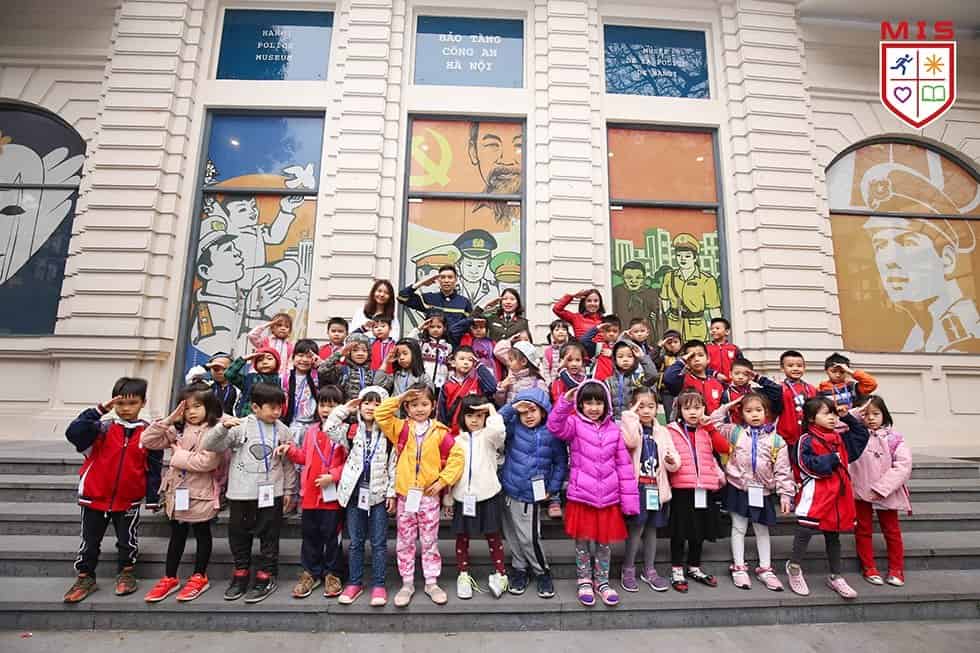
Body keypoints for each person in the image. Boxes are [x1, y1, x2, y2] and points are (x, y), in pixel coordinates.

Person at [62, 377, 162, 604]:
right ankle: (85, 577)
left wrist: (153, 497)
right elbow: (73, 432)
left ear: (143, 403)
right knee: (89, 542)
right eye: (120, 403)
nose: (126, 409)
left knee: (127, 540)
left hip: (128, 499)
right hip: (95, 496)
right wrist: (98, 411)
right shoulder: (100, 429)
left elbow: (154, 466)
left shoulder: (148, 432)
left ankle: (126, 573)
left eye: (132, 403)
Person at [202, 383, 298, 604]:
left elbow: (287, 464)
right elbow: (210, 445)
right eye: (272, 407)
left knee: (270, 536)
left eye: (279, 407)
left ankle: (266, 575)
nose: (277, 412)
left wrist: (288, 490)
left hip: (271, 493)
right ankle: (241, 573)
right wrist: (222, 428)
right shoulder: (240, 426)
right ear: (255, 407)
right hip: (241, 493)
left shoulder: (283, 430)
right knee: (239, 536)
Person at [548, 381, 639, 607]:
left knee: (604, 545)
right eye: (588, 403)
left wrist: (629, 502)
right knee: (582, 544)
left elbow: (624, 467)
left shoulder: (614, 430)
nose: (594, 408)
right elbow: (554, 426)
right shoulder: (574, 424)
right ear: (580, 405)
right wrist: (565, 402)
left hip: (608, 499)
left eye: (598, 403)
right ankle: (584, 581)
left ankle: (602, 582)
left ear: (606, 405)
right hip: (582, 496)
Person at [375, 385, 464, 607]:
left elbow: (457, 457)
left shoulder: (440, 432)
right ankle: (407, 583)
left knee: (429, 541)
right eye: (414, 404)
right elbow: (381, 414)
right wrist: (400, 397)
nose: (419, 409)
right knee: (405, 541)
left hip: (429, 497)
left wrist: (442, 481)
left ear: (433, 406)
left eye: (424, 404)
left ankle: (431, 582)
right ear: (407, 407)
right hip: (406, 496)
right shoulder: (400, 428)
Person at [140, 384, 223, 603]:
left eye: (197, 406)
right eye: (187, 408)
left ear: (208, 406)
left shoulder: (214, 431)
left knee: (202, 533)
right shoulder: (176, 429)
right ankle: (170, 577)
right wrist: (168, 420)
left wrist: (178, 456)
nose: (192, 412)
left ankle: (199, 576)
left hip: (201, 493)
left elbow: (207, 462)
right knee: (176, 535)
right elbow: (147, 441)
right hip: (177, 493)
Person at [787, 397, 871, 600]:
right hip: (816, 491)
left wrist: (847, 417)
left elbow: (861, 435)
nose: (832, 417)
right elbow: (803, 464)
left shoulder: (839, 438)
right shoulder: (806, 439)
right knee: (806, 528)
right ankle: (794, 567)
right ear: (811, 418)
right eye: (826, 413)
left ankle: (836, 576)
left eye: (834, 413)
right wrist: (831, 459)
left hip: (839, 493)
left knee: (833, 534)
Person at [709, 393, 795, 591]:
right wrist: (729, 405)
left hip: (762, 491)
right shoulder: (735, 432)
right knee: (738, 527)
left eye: (759, 410)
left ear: (767, 412)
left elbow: (783, 470)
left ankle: (765, 569)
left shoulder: (777, 440)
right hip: (739, 488)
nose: (754, 414)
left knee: (762, 529)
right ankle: (739, 567)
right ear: (742, 413)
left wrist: (785, 494)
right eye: (748, 411)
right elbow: (713, 422)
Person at [863, 216, 979, 353]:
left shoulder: (967, 335)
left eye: (908, 243)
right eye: (880, 246)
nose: (889, 260)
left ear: (947, 259)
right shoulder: (918, 336)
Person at [277, 388, 349, 600]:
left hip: (332, 496)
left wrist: (333, 476)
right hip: (309, 495)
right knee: (310, 536)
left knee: (332, 537)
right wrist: (290, 451)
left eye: (332, 405)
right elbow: (304, 457)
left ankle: (333, 573)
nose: (326, 410)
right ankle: (310, 572)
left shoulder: (344, 432)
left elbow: (350, 464)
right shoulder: (311, 431)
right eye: (323, 405)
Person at [498, 388, 565, 598]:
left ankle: (542, 571)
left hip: (531, 494)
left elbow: (561, 463)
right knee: (512, 536)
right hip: (509, 489)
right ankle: (519, 569)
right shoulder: (513, 427)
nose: (528, 415)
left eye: (533, 410)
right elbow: (494, 424)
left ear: (543, 411)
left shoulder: (552, 432)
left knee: (529, 538)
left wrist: (552, 488)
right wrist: (512, 408)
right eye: (524, 412)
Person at [333, 387, 396, 607]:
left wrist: (391, 493)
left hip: (378, 495)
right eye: (367, 402)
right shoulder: (351, 431)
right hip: (354, 495)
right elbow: (329, 427)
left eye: (377, 404)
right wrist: (345, 409)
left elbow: (393, 466)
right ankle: (355, 582)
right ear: (359, 406)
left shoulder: (389, 434)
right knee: (356, 542)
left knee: (379, 543)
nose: (371, 407)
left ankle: (379, 584)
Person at [665, 389, 730, 593]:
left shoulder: (706, 430)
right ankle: (677, 569)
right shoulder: (671, 430)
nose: (693, 412)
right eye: (687, 408)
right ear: (679, 410)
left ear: (704, 409)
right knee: (679, 531)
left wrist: (710, 427)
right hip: (682, 487)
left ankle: (694, 566)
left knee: (699, 530)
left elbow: (724, 448)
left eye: (697, 407)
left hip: (705, 487)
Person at [619, 388, 680, 592]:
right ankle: (628, 569)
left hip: (656, 489)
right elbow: (630, 442)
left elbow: (674, 458)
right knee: (636, 530)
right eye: (640, 406)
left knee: (652, 529)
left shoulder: (662, 431)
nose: (646, 411)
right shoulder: (630, 428)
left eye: (651, 406)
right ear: (632, 408)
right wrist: (630, 417)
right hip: (637, 489)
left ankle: (649, 569)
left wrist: (672, 461)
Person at [449, 398, 509, 599]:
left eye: (479, 416)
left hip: (488, 493)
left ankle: (501, 573)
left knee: (493, 535)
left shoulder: (489, 436)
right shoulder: (456, 440)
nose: (474, 420)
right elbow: (451, 469)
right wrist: (448, 496)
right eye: (469, 415)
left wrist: (491, 409)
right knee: (462, 536)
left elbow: (499, 433)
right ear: (462, 417)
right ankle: (463, 574)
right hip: (463, 497)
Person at [849, 395, 911, 587]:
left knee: (892, 531)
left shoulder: (894, 438)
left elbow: (903, 466)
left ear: (884, 414)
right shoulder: (854, 434)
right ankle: (869, 567)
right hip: (860, 490)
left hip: (887, 491)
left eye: (875, 414)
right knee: (863, 530)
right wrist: (854, 414)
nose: (871, 418)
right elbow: (838, 424)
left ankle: (896, 569)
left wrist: (882, 488)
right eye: (865, 414)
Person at [660, 233, 722, 341]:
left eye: (687, 256)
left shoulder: (707, 280)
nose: (682, 259)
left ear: (695, 257)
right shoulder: (669, 277)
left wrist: (718, 333)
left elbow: (714, 310)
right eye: (679, 255)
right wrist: (669, 315)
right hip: (674, 325)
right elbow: (664, 300)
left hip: (696, 326)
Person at [398, 264, 473, 344]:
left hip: (455, 348)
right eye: (443, 277)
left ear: (456, 279)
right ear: (438, 280)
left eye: (450, 277)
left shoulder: (464, 302)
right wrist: (421, 283)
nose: (446, 280)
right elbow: (402, 297)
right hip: (429, 348)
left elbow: (470, 326)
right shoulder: (429, 299)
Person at [438, 346, 498, 435]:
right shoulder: (446, 386)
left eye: (470, 360)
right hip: (453, 431)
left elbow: (492, 387)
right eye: (462, 359)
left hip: (475, 430)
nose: (466, 362)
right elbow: (441, 413)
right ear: (453, 363)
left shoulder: (477, 383)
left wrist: (479, 365)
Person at [318, 333, 392, 401]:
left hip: (368, 409)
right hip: (347, 409)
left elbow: (383, 387)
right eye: (355, 350)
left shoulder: (373, 373)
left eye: (364, 350)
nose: (360, 353)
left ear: (369, 353)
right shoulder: (342, 370)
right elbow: (322, 371)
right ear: (348, 352)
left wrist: (385, 363)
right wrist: (339, 353)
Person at [663, 339, 726, 413]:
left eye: (700, 355)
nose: (696, 359)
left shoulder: (717, 384)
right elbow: (668, 378)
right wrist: (682, 360)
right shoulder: (683, 381)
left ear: (708, 359)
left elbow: (723, 411)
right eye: (691, 356)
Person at [604, 341, 658, 421]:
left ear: (635, 358)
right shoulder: (609, 381)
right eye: (620, 357)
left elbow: (653, 376)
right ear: (614, 359)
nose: (625, 360)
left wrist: (642, 357)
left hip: (635, 420)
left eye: (630, 356)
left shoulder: (638, 378)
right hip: (614, 421)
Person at [721, 358, 783, 426]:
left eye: (745, 374)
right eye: (737, 373)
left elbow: (777, 389)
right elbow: (724, 417)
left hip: (758, 429)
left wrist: (757, 378)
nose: (740, 377)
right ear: (730, 374)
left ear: (750, 376)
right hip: (737, 430)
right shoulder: (726, 394)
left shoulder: (756, 392)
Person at [776, 350, 818, 450]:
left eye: (799, 366)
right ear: (782, 368)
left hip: (810, 436)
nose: (795, 368)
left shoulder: (811, 389)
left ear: (804, 367)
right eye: (790, 366)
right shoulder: (780, 388)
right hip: (786, 438)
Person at [225, 347, 282, 417]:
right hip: (246, 419)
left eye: (269, 359)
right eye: (260, 360)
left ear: (277, 362)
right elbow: (229, 374)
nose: (264, 362)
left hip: (268, 419)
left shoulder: (280, 381)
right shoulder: (250, 379)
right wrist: (243, 359)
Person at [281, 339, 320, 439]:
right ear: (293, 357)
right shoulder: (285, 377)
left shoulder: (317, 376)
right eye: (300, 355)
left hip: (311, 424)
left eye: (309, 356)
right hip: (290, 423)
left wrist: (320, 365)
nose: (304, 359)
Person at [613, 261, 661, 340]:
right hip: (624, 333)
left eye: (638, 278)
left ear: (644, 278)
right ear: (623, 277)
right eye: (629, 277)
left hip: (645, 336)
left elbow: (660, 316)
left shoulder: (650, 292)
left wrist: (660, 337)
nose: (633, 280)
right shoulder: (617, 291)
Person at [494, 337, 549, 406]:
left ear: (523, 361)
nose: (508, 363)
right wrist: (502, 389)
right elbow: (500, 404)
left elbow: (544, 405)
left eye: (511, 360)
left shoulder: (539, 383)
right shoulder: (510, 380)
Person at [454, 229, 500, 307]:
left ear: (486, 265)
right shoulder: (449, 287)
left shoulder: (492, 290)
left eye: (480, 266)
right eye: (469, 265)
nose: (474, 271)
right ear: (458, 263)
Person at [409, 312, 453, 390]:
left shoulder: (448, 347)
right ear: (427, 328)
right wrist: (419, 328)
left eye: (439, 327)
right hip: (423, 383)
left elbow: (449, 366)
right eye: (432, 327)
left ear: (444, 328)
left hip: (440, 385)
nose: (435, 329)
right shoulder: (422, 344)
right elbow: (407, 342)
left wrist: (449, 380)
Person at [579, 315, 623, 381]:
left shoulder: (622, 347)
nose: (611, 334)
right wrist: (597, 329)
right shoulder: (599, 347)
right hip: (599, 383)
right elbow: (583, 341)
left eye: (615, 331)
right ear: (602, 332)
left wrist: (613, 354)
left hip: (617, 383)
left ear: (619, 332)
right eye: (608, 331)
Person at [655, 329, 683, 421]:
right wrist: (658, 347)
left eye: (676, 342)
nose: (672, 345)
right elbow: (650, 362)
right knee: (670, 418)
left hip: (683, 390)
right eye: (669, 343)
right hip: (667, 392)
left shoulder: (685, 357)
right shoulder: (662, 358)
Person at [706, 317, 742, 382]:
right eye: (711, 329)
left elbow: (741, 366)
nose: (713, 330)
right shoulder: (706, 348)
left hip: (731, 384)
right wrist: (715, 374)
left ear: (727, 332)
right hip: (712, 383)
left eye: (717, 328)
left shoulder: (734, 348)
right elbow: (702, 367)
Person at [541, 318, 572, 384]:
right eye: (557, 330)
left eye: (564, 329)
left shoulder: (572, 349)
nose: (561, 332)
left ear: (567, 333)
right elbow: (545, 370)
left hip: (569, 383)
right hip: (554, 384)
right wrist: (549, 384)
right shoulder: (548, 351)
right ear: (552, 334)